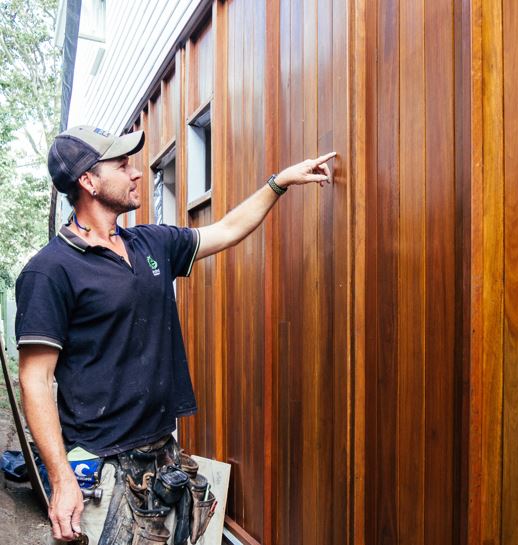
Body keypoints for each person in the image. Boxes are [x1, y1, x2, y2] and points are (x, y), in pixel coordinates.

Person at [15, 125, 334, 543]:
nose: (136, 174)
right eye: (123, 165)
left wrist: (279, 183)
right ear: (88, 181)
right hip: (103, 464)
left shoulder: (151, 243)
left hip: (161, 451)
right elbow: (35, 380)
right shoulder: (50, 270)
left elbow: (226, 229)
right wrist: (61, 480)